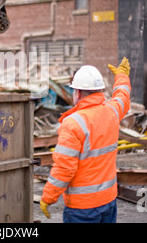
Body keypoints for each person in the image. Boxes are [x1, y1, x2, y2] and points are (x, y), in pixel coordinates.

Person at [39, 57, 131, 223]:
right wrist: (122, 76)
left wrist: (48, 198)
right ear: (99, 91)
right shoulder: (112, 111)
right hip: (109, 201)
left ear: (78, 93)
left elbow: (64, 168)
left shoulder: (73, 124)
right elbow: (122, 96)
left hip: (83, 209)